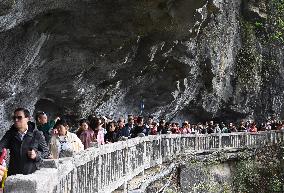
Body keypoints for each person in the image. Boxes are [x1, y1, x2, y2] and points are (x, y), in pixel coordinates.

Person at [0, 108, 49, 176]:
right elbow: (0, 147)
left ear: (27, 118)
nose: (16, 120)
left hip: (31, 175)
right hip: (13, 175)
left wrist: (36, 155)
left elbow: (45, 152)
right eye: (14, 118)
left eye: (19, 117)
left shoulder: (37, 134)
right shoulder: (10, 134)